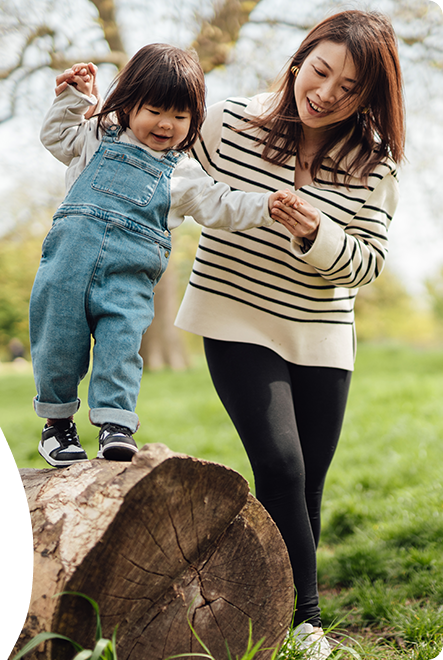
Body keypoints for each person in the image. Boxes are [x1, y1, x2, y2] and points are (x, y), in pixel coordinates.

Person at [175, 10, 405, 659]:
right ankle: (303, 622)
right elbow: (165, 176)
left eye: (350, 86)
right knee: (279, 462)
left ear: (370, 97)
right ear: (300, 59)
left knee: (305, 486)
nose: (327, 91)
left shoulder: (375, 164)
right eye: (322, 69)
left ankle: (274, 602)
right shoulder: (225, 121)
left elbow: (365, 265)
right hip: (234, 315)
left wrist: (314, 233)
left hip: (322, 332)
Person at [30, 43, 302, 469]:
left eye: (180, 116)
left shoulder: (182, 173)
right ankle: (58, 423)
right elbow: (55, 135)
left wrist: (266, 206)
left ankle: (115, 425)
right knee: (57, 341)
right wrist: (75, 98)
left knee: (121, 345)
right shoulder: (98, 134)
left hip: (129, 278)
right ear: (128, 104)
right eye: (155, 110)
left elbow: (222, 205)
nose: (166, 124)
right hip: (67, 264)